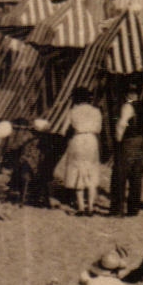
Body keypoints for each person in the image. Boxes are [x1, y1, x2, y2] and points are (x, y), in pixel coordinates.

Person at [110, 81, 143, 217]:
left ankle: (117, 210)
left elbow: (121, 125)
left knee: (120, 175)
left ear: (126, 95)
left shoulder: (127, 106)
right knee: (136, 176)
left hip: (128, 142)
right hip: (140, 142)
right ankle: (133, 210)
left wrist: (119, 140)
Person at [55, 86, 105, 216]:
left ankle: (81, 207)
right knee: (91, 171)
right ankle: (91, 206)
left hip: (78, 140)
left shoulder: (73, 111)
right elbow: (99, 129)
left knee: (78, 171)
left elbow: (64, 129)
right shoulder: (96, 111)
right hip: (91, 140)